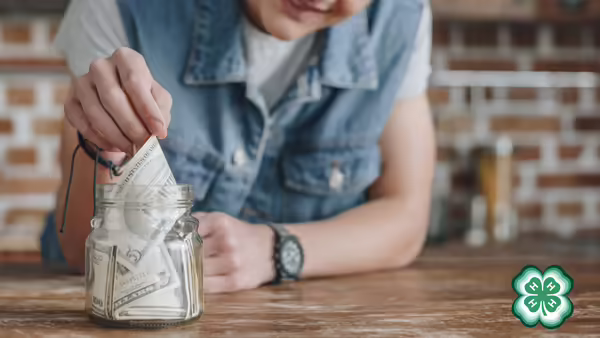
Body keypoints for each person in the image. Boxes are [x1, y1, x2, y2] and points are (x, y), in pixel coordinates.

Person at [42, 0, 435, 294]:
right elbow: (82, 248)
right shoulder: (118, 7)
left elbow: (406, 216)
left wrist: (274, 249)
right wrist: (99, 143)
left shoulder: (401, 18)